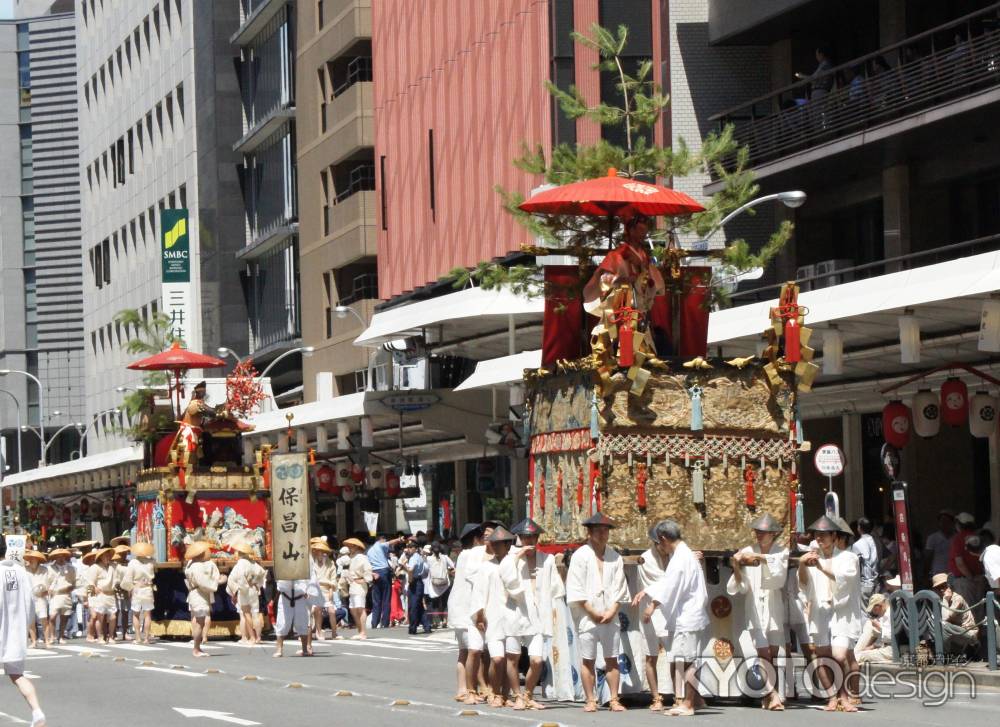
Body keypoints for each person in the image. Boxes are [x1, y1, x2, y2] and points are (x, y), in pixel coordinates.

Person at [635, 519, 709, 717]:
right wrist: (649, 593)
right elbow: (668, 583)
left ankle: (689, 703)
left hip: (688, 615)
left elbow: (670, 587)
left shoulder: (680, 558)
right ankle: (694, 699)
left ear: (663, 539)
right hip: (687, 614)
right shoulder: (684, 554)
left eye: (659, 542)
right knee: (685, 659)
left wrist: (652, 605)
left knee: (688, 661)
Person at [500, 518, 565, 711]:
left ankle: (528, 693)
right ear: (519, 537)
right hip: (515, 613)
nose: (530, 540)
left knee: (537, 660)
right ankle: (517, 695)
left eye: (533, 537)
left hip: (538, 615)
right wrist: (518, 555)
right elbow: (506, 580)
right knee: (513, 657)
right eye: (526, 537)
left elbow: (555, 588)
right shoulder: (510, 558)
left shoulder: (546, 559)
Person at [566, 513, 628, 713]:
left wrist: (613, 610)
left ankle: (614, 698)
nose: (602, 535)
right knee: (588, 659)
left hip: (610, 613)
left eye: (605, 531)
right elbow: (575, 587)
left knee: (612, 658)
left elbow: (621, 586)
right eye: (598, 531)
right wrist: (592, 612)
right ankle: (590, 699)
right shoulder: (580, 555)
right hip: (588, 614)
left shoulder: (615, 557)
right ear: (590, 533)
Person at [726, 513, 788, 711]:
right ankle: (773, 694)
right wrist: (736, 565)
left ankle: (770, 692)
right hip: (754, 604)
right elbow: (741, 586)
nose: (759, 535)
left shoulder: (781, 551)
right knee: (763, 652)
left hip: (773, 604)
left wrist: (760, 557)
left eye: (763, 532)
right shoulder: (746, 551)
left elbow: (779, 577)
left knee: (774, 652)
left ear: (773, 534)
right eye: (757, 531)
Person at [798, 515, 860, 712]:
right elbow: (803, 583)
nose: (820, 539)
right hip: (819, 609)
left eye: (824, 535)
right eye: (817, 535)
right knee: (822, 656)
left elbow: (845, 579)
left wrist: (820, 566)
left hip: (841, 612)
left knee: (839, 655)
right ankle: (834, 697)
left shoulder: (849, 557)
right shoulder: (812, 557)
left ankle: (844, 695)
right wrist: (801, 564)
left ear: (834, 536)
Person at [0, 542, 47, 726]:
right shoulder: (20, 571)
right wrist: (27, 626)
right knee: (17, 675)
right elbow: (30, 601)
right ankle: (37, 712)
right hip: (15, 630)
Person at [470, 526, 516, 708]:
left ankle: (505, 694)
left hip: (512, 616)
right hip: (494, 616)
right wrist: (480, 616)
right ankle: (494, 691)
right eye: (494, 544)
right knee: (496, 658)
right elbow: (479, 594)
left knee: (509, 658)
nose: (496, 547)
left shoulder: (514, 564)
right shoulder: (486, 567)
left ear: (508, 545)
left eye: (500, 544)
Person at [632, 525, 670, 711]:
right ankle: (656, 697)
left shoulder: (675, 556)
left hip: (671, 610)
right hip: (650, 610)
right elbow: (666, 580)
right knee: (650, 655)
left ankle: (682, 695)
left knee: (676, 656)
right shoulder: (646, 559)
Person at [449, 523, 484, 704]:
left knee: (464, 652)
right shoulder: (473, 555)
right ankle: (472, 689)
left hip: (458, 607)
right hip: (467, 608)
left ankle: (462, 688)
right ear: (477, 539)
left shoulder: (463, 554)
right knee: (474, 651)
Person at [184, 542, 226, 658]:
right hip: (198, 594)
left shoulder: (195, 564)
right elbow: (203, 582)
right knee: (199, 622)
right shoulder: (196, 566)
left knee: (200, 621)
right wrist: (218, 581)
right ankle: (196, 649)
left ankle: (198, 647)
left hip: (200, 594)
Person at [226, 542, 265, 645]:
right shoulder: (253, 563)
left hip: (244, 590)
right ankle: (258, 637)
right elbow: (262, 573)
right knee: (255, 613)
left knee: (245, 614)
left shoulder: (240, 564)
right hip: (253, 589)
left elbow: (231, 579)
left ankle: (250, 637)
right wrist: (257, 584)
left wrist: (234, 591)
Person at [931, 573, 978, 656]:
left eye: (944, 586)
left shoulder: (957, 599)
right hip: (954, 633)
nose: (941, 590)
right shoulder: (938, 601)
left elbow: (945, 619)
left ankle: (944, 654)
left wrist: (945, 600)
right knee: (931, 622)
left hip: (968, 633)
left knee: (943, 625)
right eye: (938, 588)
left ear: (949, 586)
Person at [120, 542, 156, 645]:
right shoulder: (151, 562)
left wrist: (130, 587)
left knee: (136, 614)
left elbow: (127, 579)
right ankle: (147, 638)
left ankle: (138, 637)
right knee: (147, 614)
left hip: (137, 589)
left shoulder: (133, 563)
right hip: (148, 588)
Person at [367, 534, 405, 629]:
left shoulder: (369, 551)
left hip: (375, 573)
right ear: (381, 540)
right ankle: (385, 622)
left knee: (376, 600)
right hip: (384, 571)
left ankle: (374, 623)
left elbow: (368, 565)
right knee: (386, 598)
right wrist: (399, 539)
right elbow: (390, 542)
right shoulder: (380, 544)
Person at [948, 513, 983, 607]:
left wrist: (970, 577)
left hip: (965, 581)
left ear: (959, 524)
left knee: (967, 612)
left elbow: (959, 563)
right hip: (979, 579)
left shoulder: (958, 538)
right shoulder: (978, 538)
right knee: (978, 610)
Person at [273, 577, 312, 657]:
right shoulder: (282, 564)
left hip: (300, 597)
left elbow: (310, 575)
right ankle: (279, 649)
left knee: (302, 622)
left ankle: (304, 649)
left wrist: (310, 591)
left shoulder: (304, 564)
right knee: (282, 623)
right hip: (285, 597)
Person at [309, 539, 338, 641]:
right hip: (315, 589)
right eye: (317, 550)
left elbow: (333, 579)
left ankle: (334, 633)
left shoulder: (330, 563)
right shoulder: (311, 562)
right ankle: (318, 631)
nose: (319, 553)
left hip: (326, 589)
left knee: (332, 611)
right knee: (316, 610)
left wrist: (331, 590)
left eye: (321, 551)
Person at [87, 547, 118, 645]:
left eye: (109, 555)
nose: (108, 557)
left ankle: (111, 636)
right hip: (100, 595)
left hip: (111, 595)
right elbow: (89, 583)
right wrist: (91, 599)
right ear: (101, 557)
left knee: (113, 617)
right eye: (106, 555)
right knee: (100, 617)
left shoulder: (113, 567)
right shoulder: (94, 568)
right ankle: (100, 636)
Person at [343, 538, 372, 640]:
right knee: (353, 609)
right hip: (352, 584)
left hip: (359, 584)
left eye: (351, 546)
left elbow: (368, 570)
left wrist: (365, 580)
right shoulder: (351, 558)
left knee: (360, 608)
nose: (350, 548)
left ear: (356, 547)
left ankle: (363, 632)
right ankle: (360, 630)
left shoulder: (362, 557)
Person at [45, 548, 74, 645]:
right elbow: (46, 581)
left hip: (66, 594)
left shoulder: (70, 568)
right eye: (58, 556)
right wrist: (47, 589)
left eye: (63, 556)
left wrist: (72, 587)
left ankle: (61, 636)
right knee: (52, 616)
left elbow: (74, 580)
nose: (61, 558)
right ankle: (52, 636)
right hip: (55, 595)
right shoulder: (49, 568)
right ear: (55, 557)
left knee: (64, 617)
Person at [23, 552, 51, 649]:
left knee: (44, 619)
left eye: (33, 558)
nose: (30, 560)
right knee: (31, 621)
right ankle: (34, 641)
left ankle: (47, 641)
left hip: (40, 597)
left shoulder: (44, 569)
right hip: (28, 597)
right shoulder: (25, 570)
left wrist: (45, 591)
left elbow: (47, 583)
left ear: (37, 560)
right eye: (29, 558)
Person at [854, 593, 892, 664]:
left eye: (874, 608)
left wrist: (879, 627)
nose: (873, 611)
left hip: (890, 650)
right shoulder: (883, 615)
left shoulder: (890, 614)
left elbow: (890, 637)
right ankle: (855, 652)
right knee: (869, 624)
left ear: (880, 605)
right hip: (884, 647)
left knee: (859, 656)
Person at [404, 541, 432, 635]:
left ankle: (413, 627)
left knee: (413, 606)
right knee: (419, 606)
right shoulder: (419, 557)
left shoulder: (414, 557)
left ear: (415, 548)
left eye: (411, 547)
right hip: (419, 582)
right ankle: (427, 626)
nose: (409, 549)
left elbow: (411, 570)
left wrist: (404, 566)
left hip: (415, 582)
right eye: (408, 547)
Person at [424, 543, 454, 629]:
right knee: (445, 603)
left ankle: (436, 622)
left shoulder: (428, 559)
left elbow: (425, 570)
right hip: (445, 584)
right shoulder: (445, 557)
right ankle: (445, 620)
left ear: (431, 550)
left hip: (434, 585)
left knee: (435, 604)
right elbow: (452, 566)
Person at [851, 518, 879, 602]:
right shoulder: (878, 542)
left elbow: (855, 565)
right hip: (877, 583)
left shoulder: (857, 544)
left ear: (859, 528)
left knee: (865, 613)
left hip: (865, 583)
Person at [924, 511, 956, 579]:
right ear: (939, 523)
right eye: (942, 521)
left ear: (952, 523)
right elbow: (928, 558)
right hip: (937, 574)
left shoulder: (956, 538)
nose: (945, 524)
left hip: (953, 574)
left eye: (947, 521)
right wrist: (926, 575)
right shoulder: (932, 538)